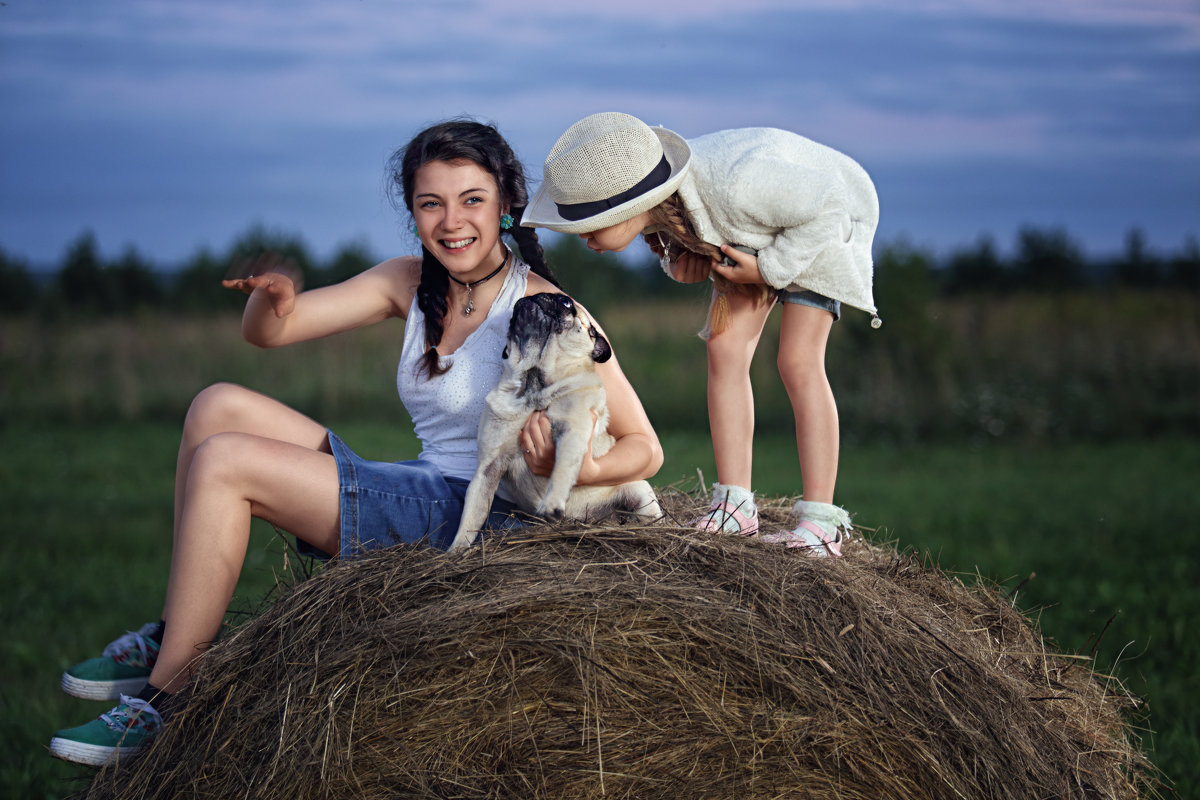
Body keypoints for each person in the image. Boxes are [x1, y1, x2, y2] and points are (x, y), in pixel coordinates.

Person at [49, 120, 663, 767]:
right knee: (215, 408)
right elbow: (270, 334)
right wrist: (272, 298)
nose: (451, 221)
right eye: (431, 203)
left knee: (224, 462)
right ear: (414, 212)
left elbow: (644, 444)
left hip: (481, 520)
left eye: (471, 200)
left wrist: (581, 463)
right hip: (422, 490)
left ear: (507, 206)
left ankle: (169, 699)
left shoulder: (545, 306)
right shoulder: (409, 282)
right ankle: (174, 631)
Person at [523, 112, 879, 557]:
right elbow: (685, 233)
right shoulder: (666, 206)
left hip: (820, 224)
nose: (584, 238)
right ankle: (735, 507)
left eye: (590, 225)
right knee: (724, 349)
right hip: (752, 233)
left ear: (630, 205)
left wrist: (768, 269)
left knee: (798, 362)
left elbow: (827, 202)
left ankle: (822, 525)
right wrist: (678, 265)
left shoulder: (738, 184)